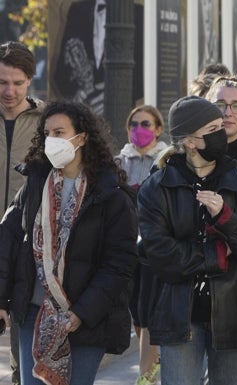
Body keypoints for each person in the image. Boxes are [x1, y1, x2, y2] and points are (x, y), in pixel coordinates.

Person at [137, 96, 237, 385]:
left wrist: (227, 219)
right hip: (179, 316)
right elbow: (159, 253)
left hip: (235, 315)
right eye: (213, 128)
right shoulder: (158, 186)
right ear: (190, 141)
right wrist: (220, 254)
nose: (223, 131)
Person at [0, 101, 138, 385]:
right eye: (48, 133)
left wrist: (81, 313)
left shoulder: (110, 195)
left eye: (60, 132)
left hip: (86, 321)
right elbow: (8, 238)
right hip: (34, 314)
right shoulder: (35, 182)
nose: (53, 140)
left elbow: (119, 264)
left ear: (82, 137)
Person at [0, 40, 46, 385]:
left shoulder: (47, 121)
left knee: (22, 344)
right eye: (2, 82)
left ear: (30, 80)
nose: (9, 90)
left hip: (25, 241)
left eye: (17, 82)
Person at [116, 105, 169, 385]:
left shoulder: (166, 160)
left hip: (152, 247)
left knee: (147, 312)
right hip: (125, 246)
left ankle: (146, 374)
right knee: (136, 311)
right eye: (134, 124)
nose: (139, 129)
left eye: (146, 124)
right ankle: (153, 360)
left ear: (158, 129)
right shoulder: (119, 162)